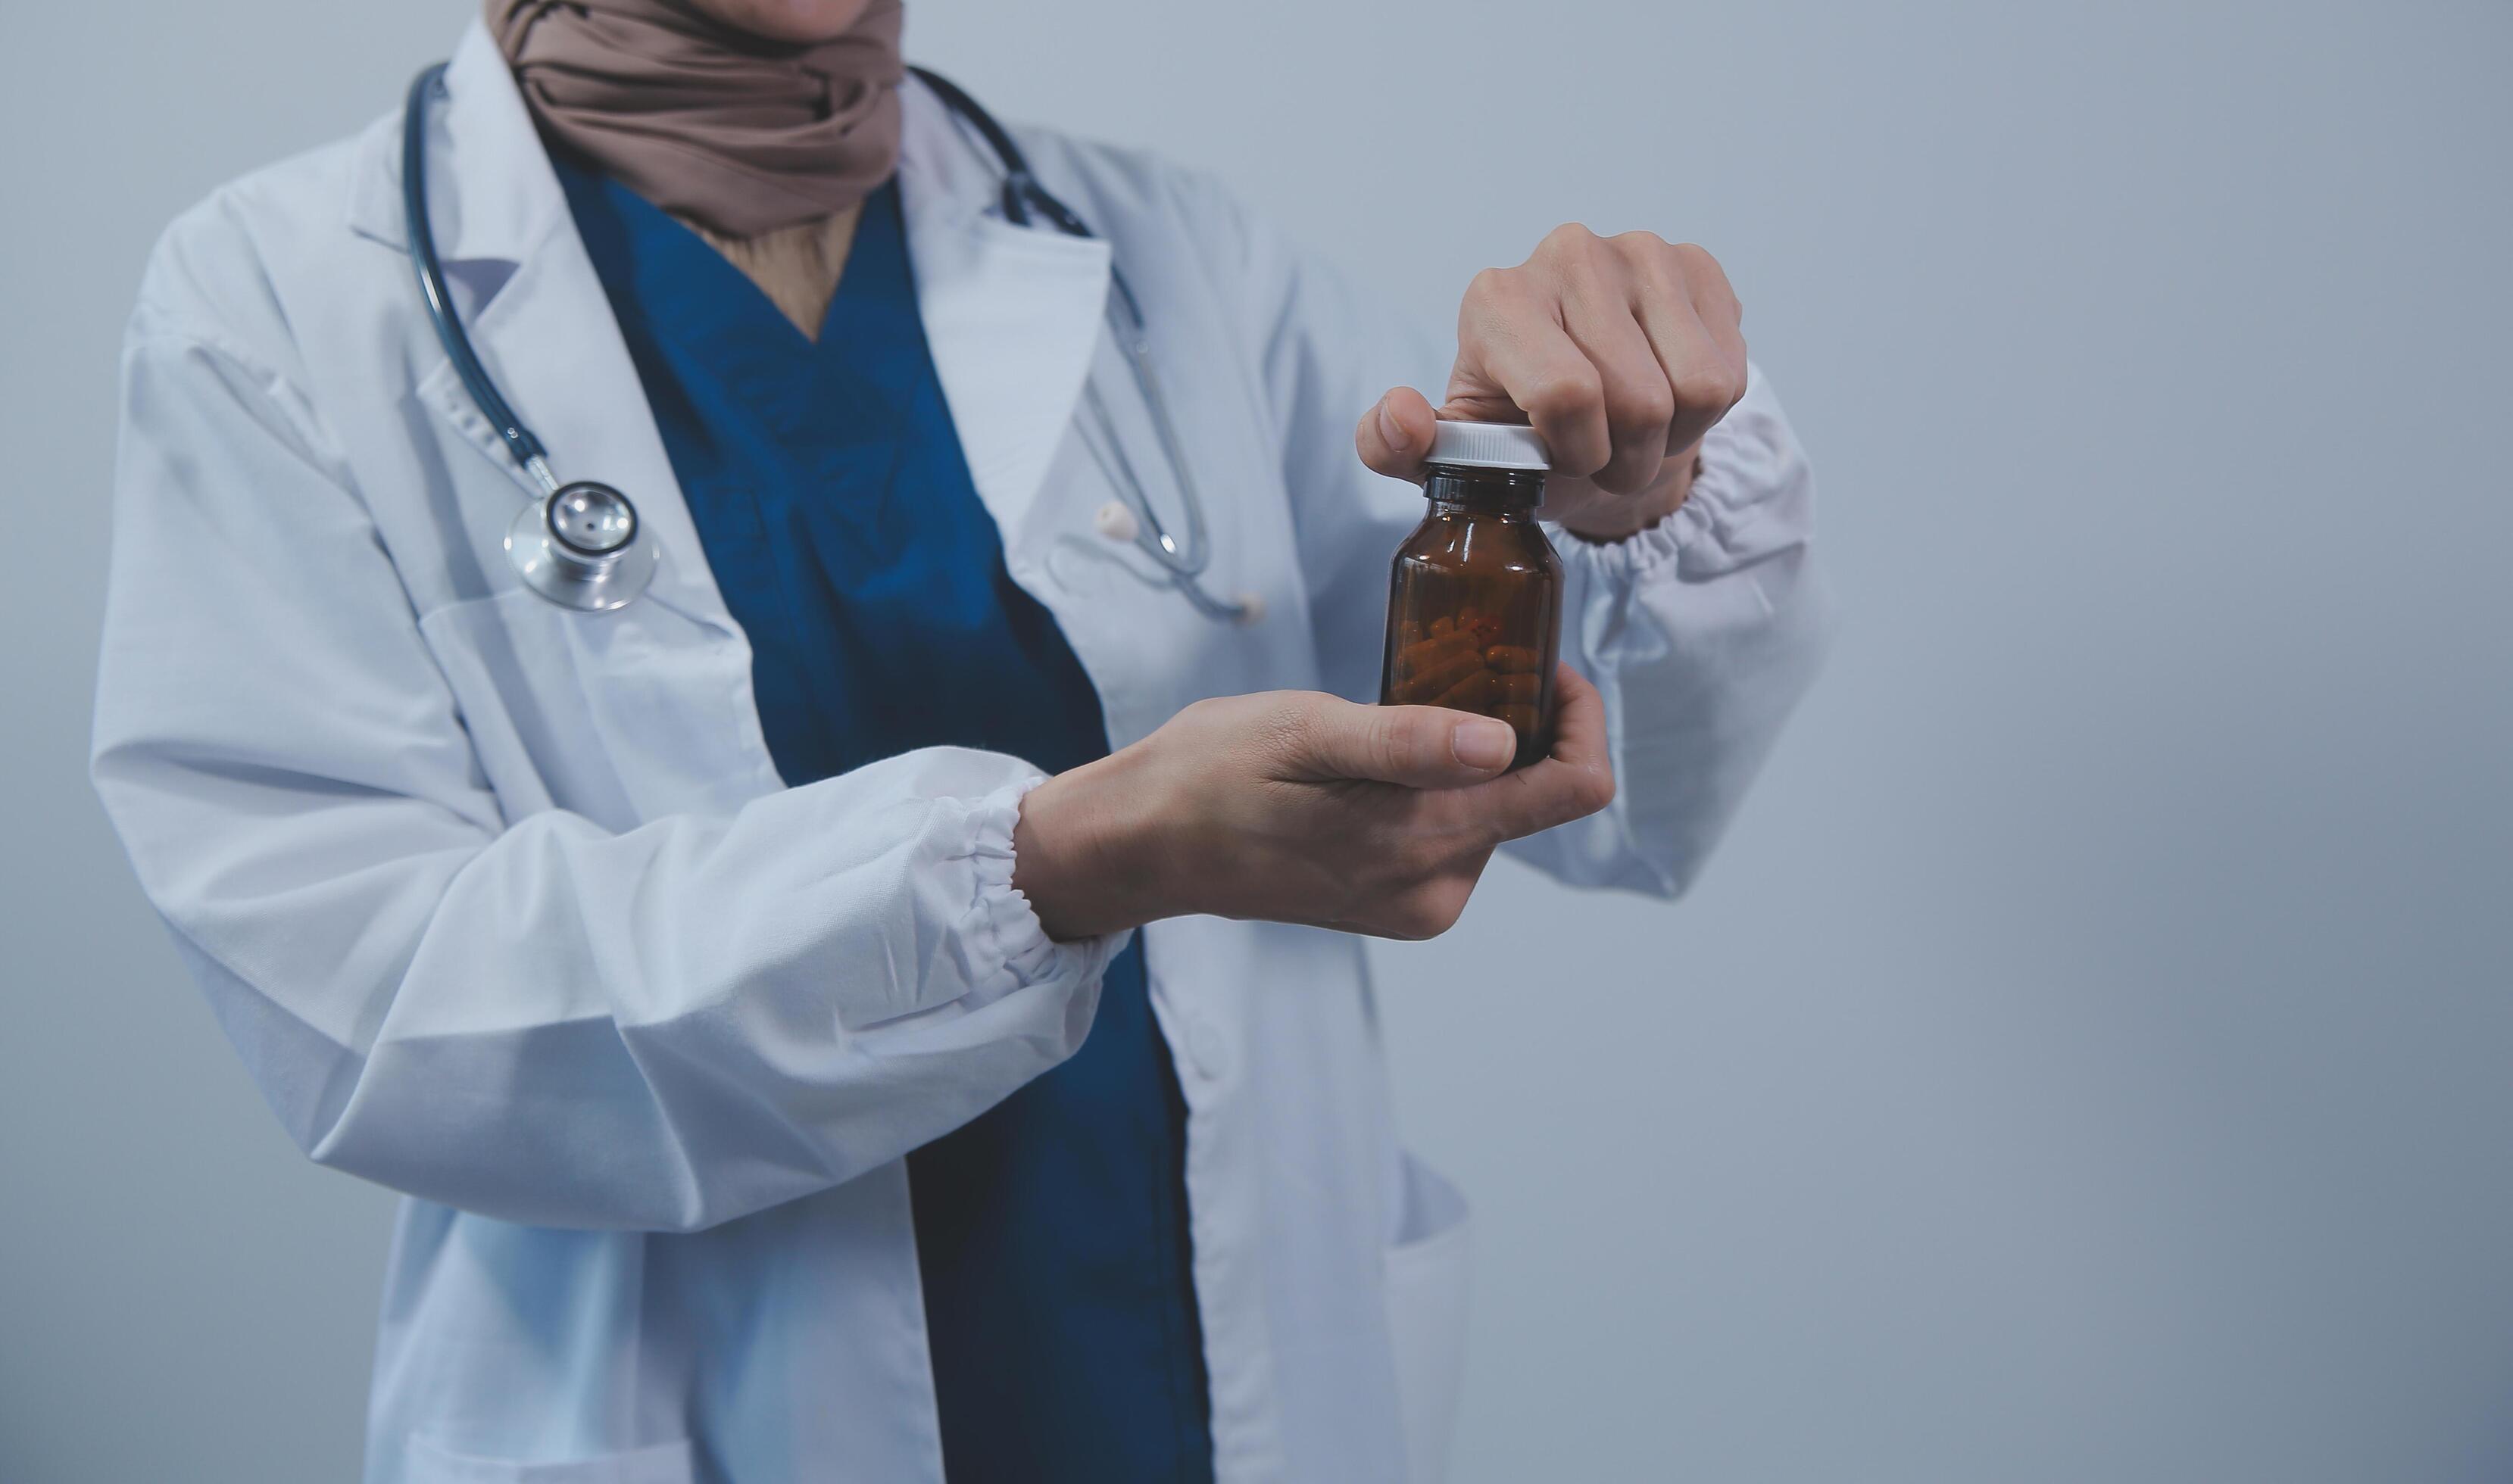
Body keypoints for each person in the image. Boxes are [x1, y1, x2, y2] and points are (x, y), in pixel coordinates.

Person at [89, 1, 1830, 1479]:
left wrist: (1629, 491)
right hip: (709, 1405)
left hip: (1217, 1386)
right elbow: (380, 1002)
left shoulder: (1171, 256)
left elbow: (1617, 789)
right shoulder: (279, 307)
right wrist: (1054, 864)